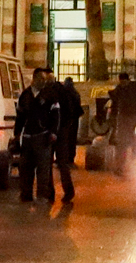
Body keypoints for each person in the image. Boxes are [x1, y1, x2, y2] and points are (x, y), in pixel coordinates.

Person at [15, 67, 61, 203]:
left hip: (43, 137)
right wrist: (17, 134)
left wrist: (53, 132)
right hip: (28, 137)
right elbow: (20, 116)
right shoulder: (25, 95)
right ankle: (26, 194)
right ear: (34, 79)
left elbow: (56, 115)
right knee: (26, 168)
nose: (43, 81)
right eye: (41, 78)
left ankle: (42, 195)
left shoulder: (49, 95)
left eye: (44, 79)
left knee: (43, 169)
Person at [110, 71, 136, 175]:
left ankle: (135, 165)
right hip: (129, 118)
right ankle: (122, 166)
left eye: (123, 82)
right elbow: (115, 104)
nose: (122, 83)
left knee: (135, 142)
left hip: (133, 119)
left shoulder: (130, 88)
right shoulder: (125, 89)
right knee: (124, 142)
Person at [50, 71, 83, 201]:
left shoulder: (50, 92)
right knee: (63, 163)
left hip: (52, 130)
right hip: (64, 129)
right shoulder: (69, 93)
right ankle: (68, 191)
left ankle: (49, 193)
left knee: (47, 164)